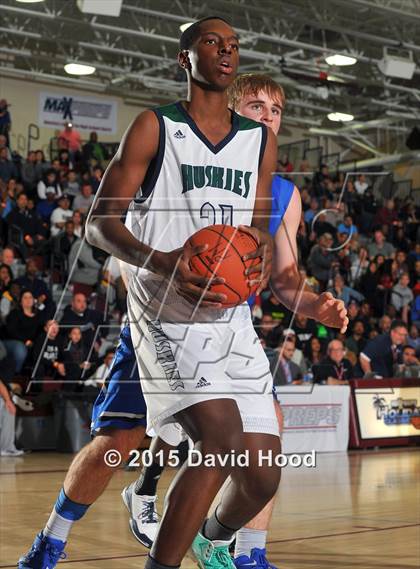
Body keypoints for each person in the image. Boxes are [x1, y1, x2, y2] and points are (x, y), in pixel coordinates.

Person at [18, 58, 347, 569]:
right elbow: (119, 231)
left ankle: (240, 550)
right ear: (230, 110)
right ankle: (54, 538)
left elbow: (284, 280)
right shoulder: (178, 149)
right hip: (161, 319)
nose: (267, 117)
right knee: (119, 440)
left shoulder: (284, 194)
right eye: (256, 106)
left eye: (276, 111)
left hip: (227, 327)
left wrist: (315, 305)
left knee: (259, 443)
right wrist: (158, 286)